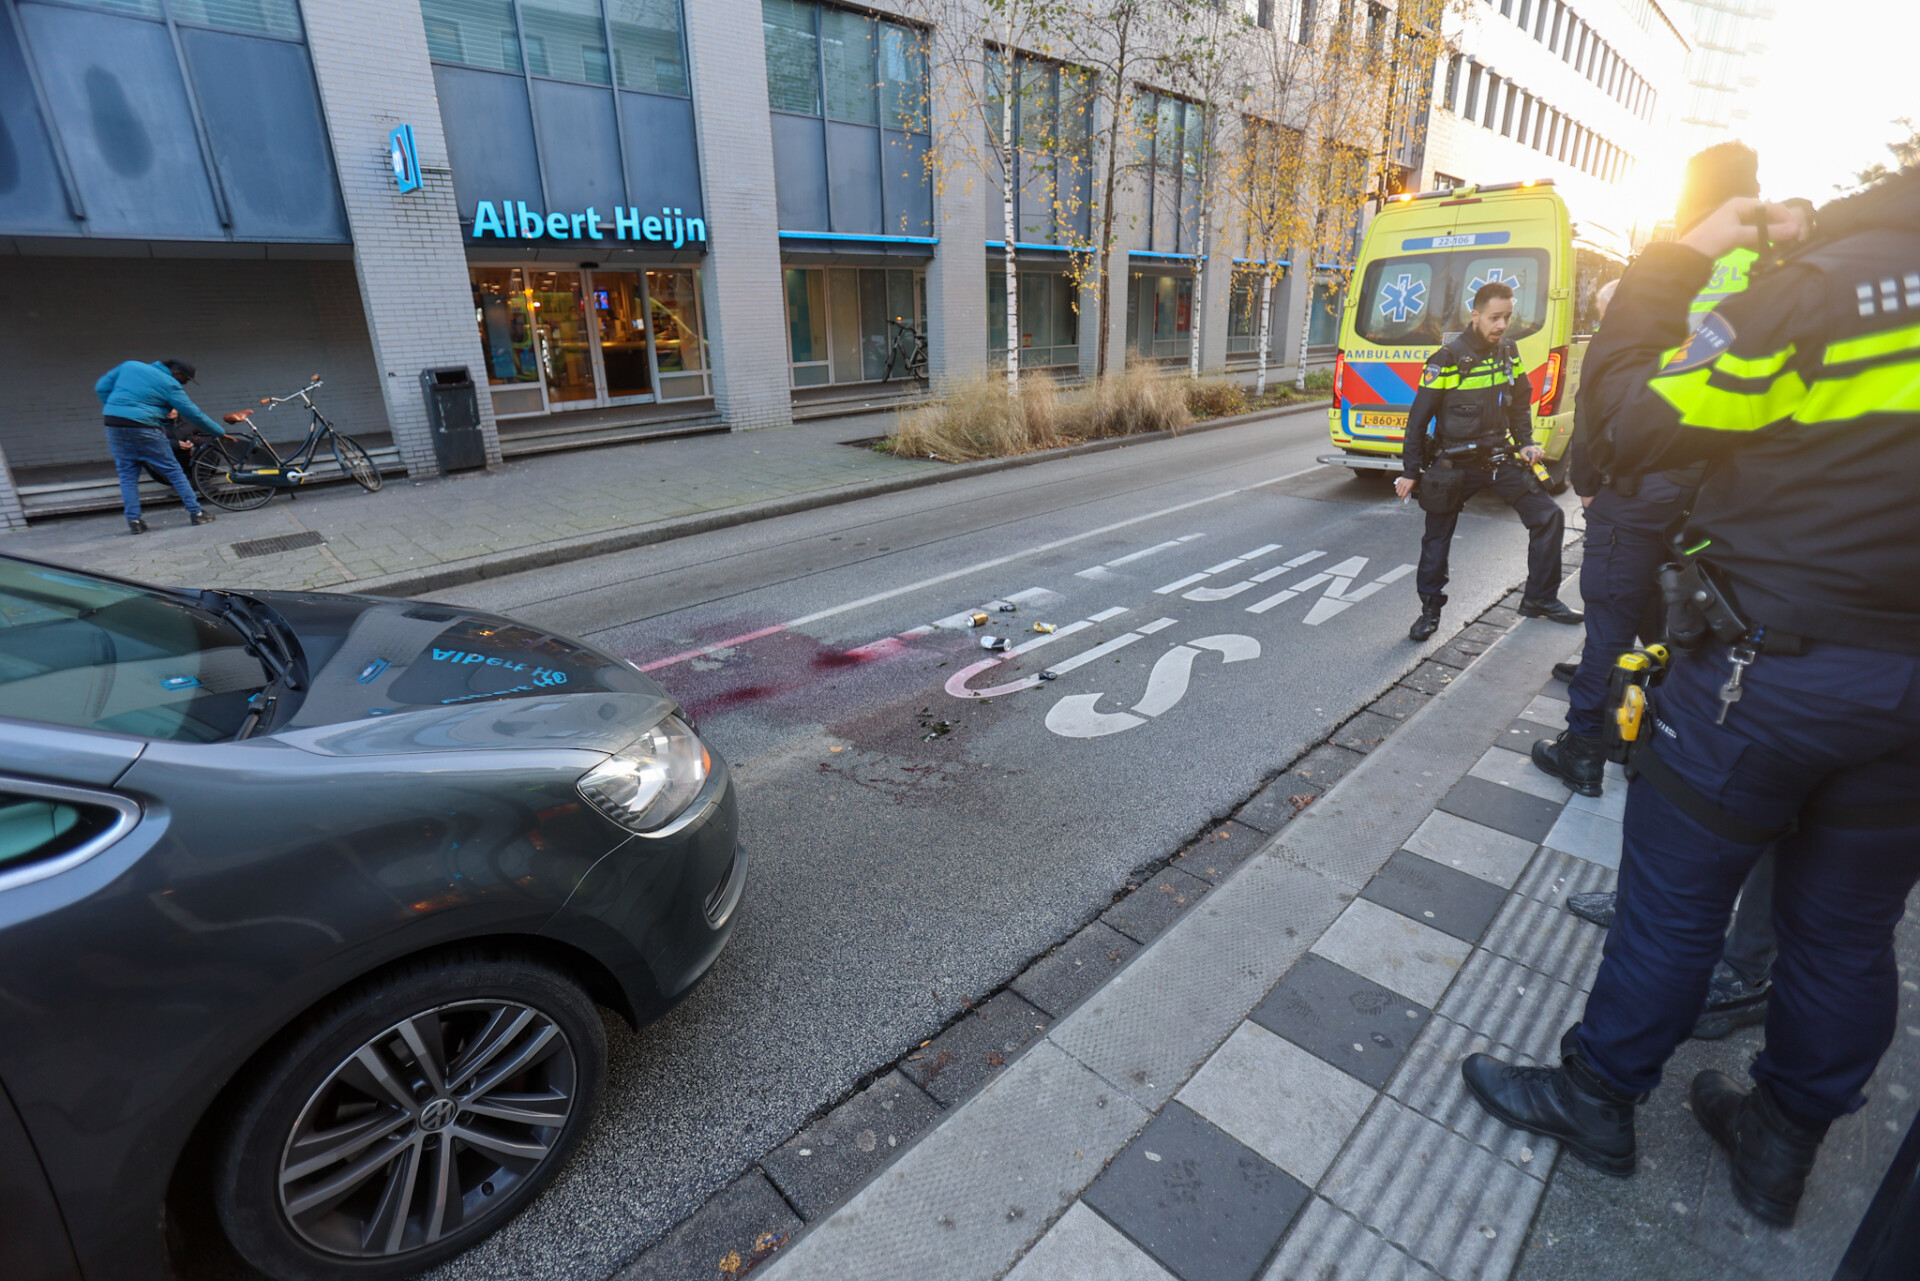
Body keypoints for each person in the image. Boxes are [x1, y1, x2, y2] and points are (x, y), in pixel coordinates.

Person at [1459, 169, 1920, 1229]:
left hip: (1768, 676)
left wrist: (1679, 262)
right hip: (1908, 700)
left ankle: (1598, 1098)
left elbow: (1621, 433)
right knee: (1850, 932)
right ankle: (1779, 1147)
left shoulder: (1829, 292)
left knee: (1672, 906)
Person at [1396, 281, 1583, 641]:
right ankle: (1429, 612)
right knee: (1437, 537)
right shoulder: (1446, 359)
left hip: (1498, 460)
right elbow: (1418, 421)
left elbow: (1518, 402)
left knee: (1549, 516)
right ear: (1476, 315)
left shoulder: (1508, 352)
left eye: (1507, 317)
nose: (1501, 325)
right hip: (1453, 466)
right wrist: (1411, 472)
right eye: (1495, 317)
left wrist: (1526, 443)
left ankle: (1540, 599)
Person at [95, 358, 227, 533]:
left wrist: (117, 409)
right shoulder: (170, 384)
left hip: (114, 426)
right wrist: (220, 432)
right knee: (173, 471)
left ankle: (134, 522)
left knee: (127, 476)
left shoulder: (130, 366)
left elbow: (101, 388)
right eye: (185, 380)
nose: (184, 384)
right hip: (144, 427)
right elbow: (195, 414)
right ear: (177, 373)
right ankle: (197, 513)